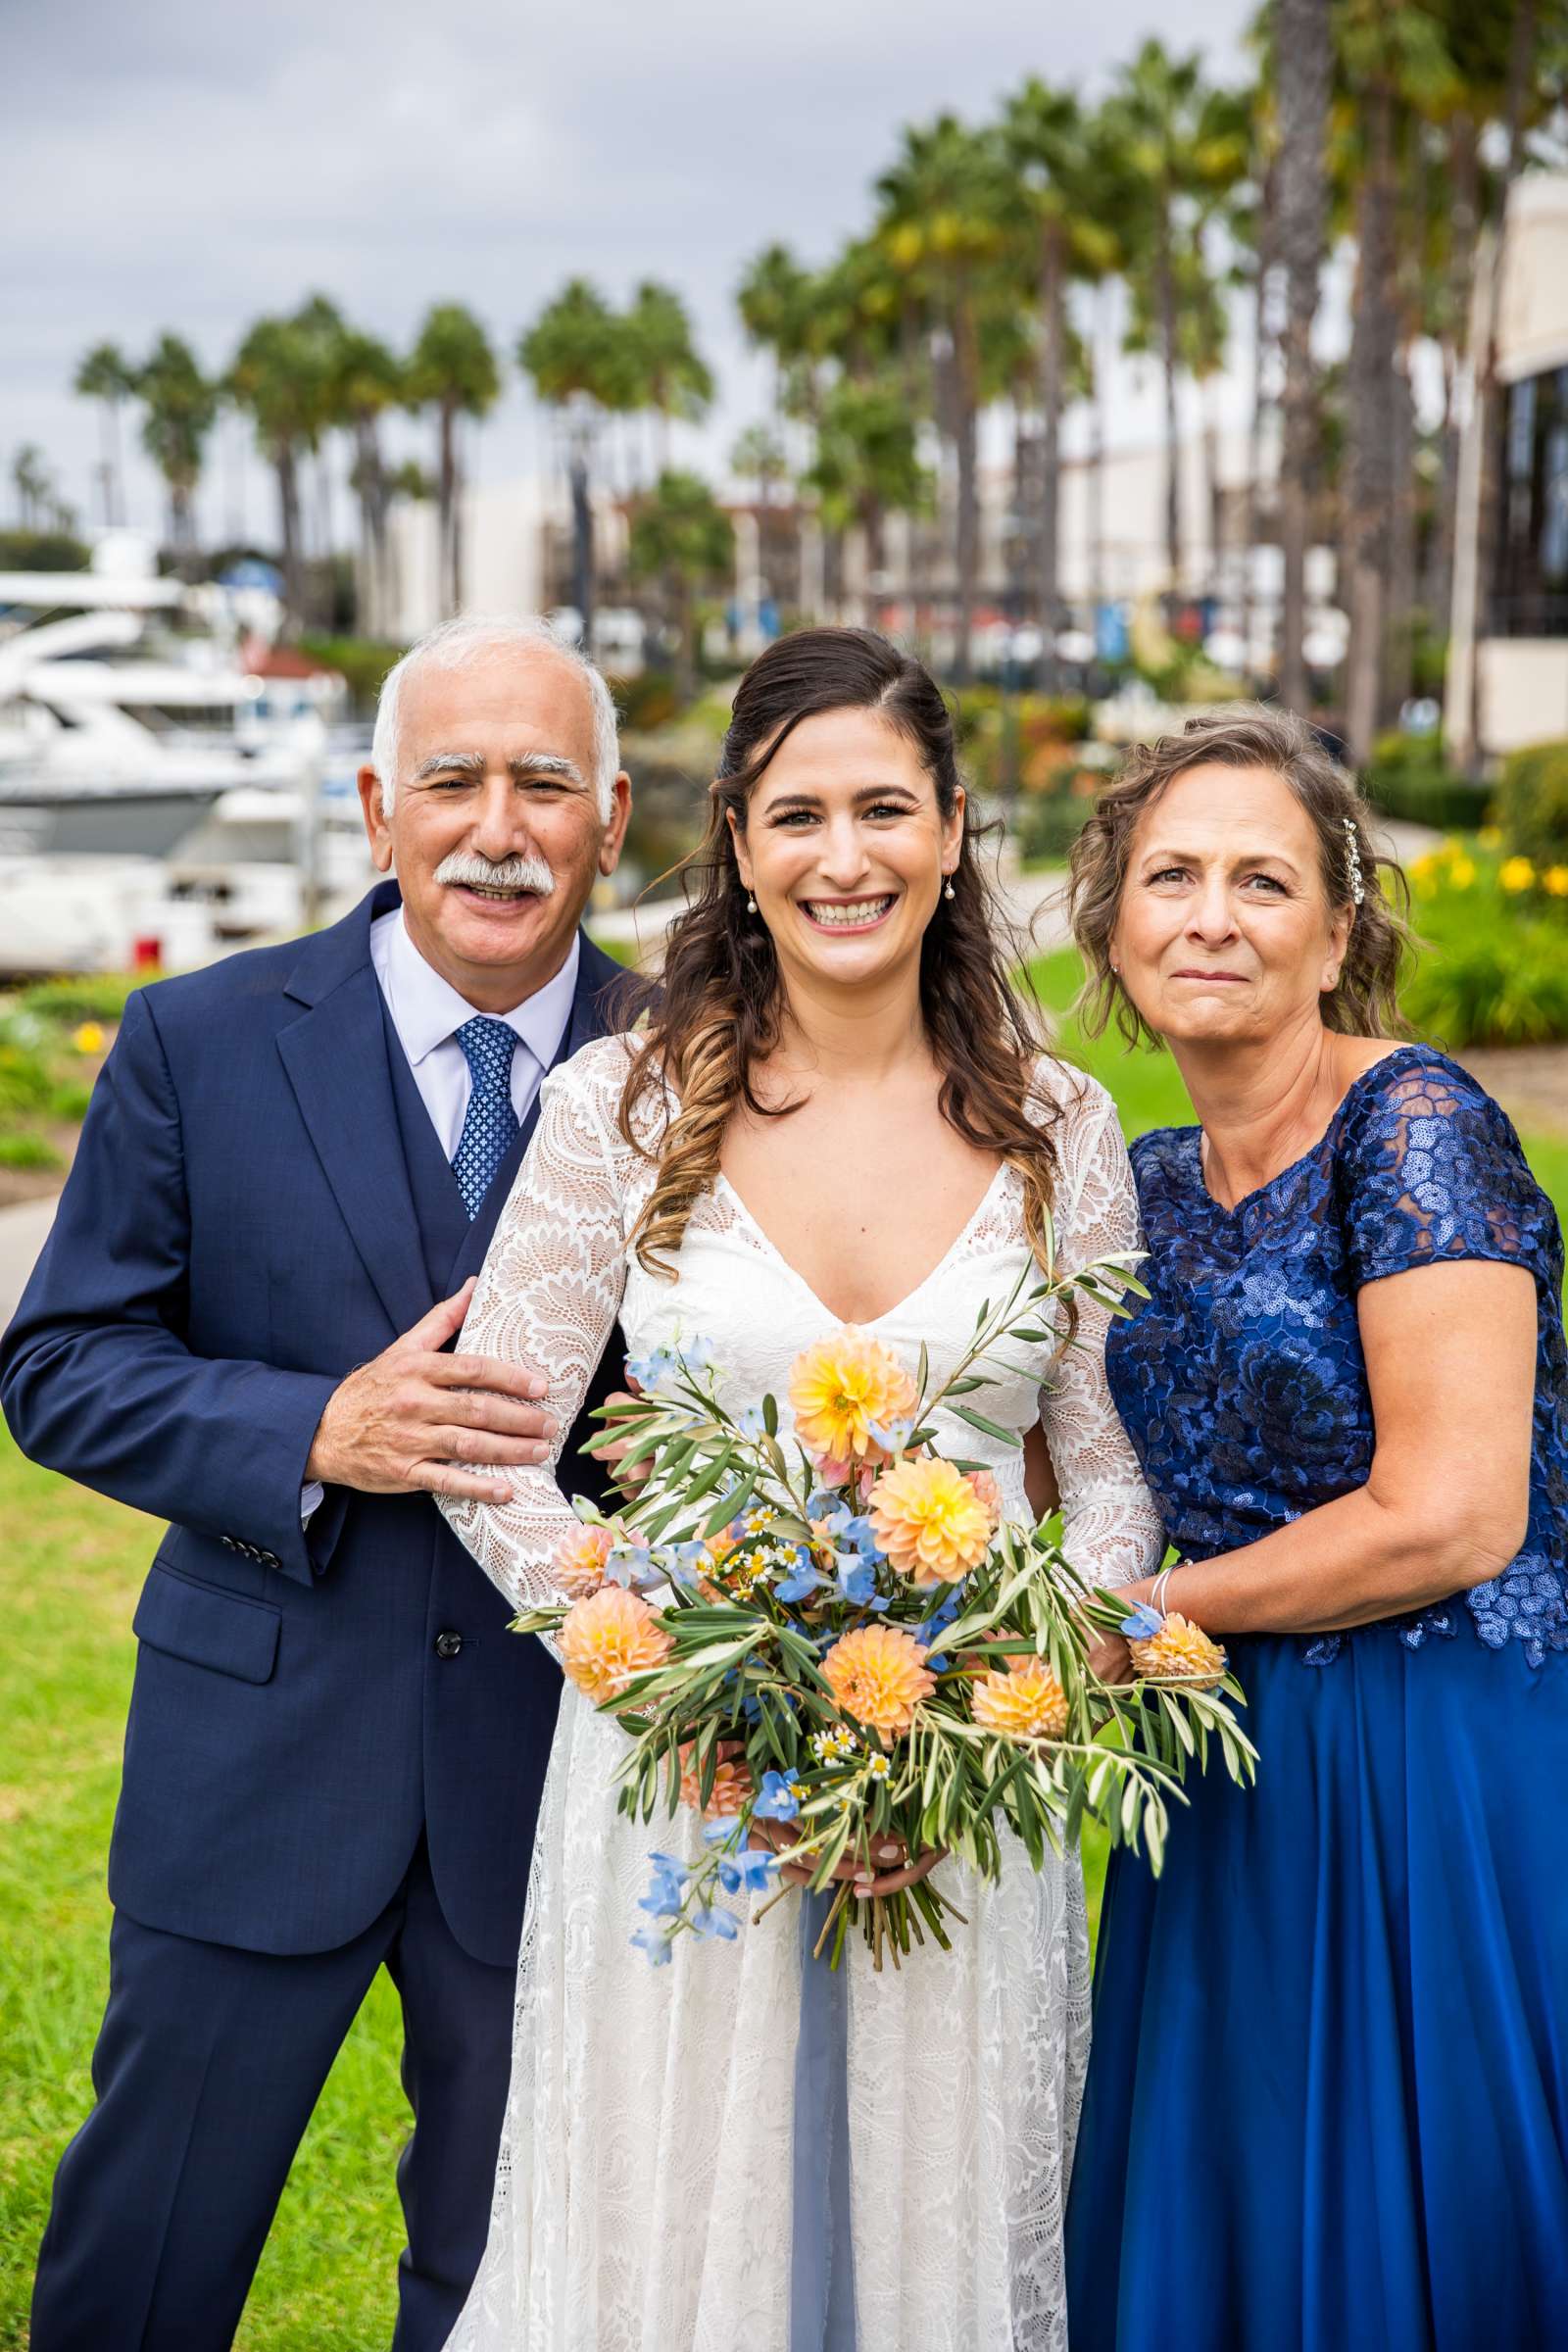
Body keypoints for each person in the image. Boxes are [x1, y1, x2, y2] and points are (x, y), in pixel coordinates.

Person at [433, 626, 1164, 2352]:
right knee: (679, 2229)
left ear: (955, 827)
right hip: (678, 1783)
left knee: (926, 2229)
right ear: (740, 849)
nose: (847, 858)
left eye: (887, 810)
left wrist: (1011, 1699)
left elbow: (1113, 1477)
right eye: (800, 817)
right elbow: (494, 1460)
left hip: (963, 1795)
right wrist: (679, 1692)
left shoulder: (1063, 1128)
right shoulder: (618, 1103)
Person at [0, 615, 632, 2351]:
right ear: (376, 808)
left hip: (570, 1775)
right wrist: (308, 1434)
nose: (495, 825)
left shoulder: (713, 1064)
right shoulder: (196, 1041)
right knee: (146, 2256)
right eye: (450, 780)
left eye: (543, 782)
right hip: (254, 1768)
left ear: (614, 815)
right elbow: (55, 1367)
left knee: (518, 2272)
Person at [1061, 706, 1568, 2351]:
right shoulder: (1133, 1177)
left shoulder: (1415, 1130)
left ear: (1338, 929)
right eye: (1173, 876)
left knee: (1408, 2194)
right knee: (1235, 2186)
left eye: (1263, 880)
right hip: (1216, 1755)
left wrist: (1139, 1622)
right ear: (1115, 920)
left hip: (1425, 1745)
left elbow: (1453, 1515)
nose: (1211, 915)